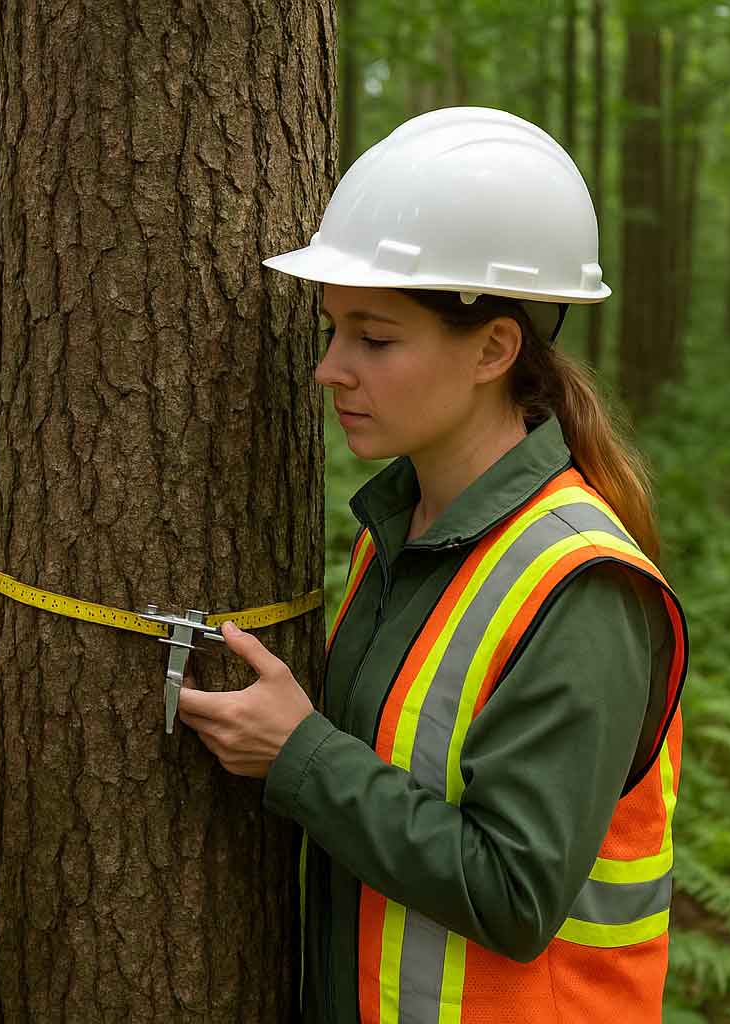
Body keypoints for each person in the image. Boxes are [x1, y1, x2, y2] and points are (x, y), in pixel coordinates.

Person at [177, 107, 688, 1024]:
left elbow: (517, 894)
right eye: (331, 331)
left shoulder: (581, 588)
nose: (330, 370)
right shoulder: (400, 531)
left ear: (495, 348)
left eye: (375, 340)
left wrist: (300, 754)